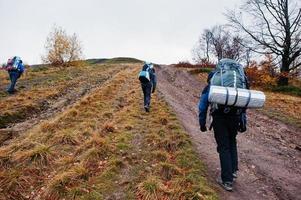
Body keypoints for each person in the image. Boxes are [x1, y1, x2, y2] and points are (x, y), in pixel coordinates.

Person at [198, 60, 248, 192]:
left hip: (220, 117)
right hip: (235, 117)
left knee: (224, 146)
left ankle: (226, 180)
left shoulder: (211, 86)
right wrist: (243, 122)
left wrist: (202, 123)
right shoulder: (239, 84)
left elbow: (202, 106)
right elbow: (243, 105)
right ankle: (232, 171)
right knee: (232, 142)